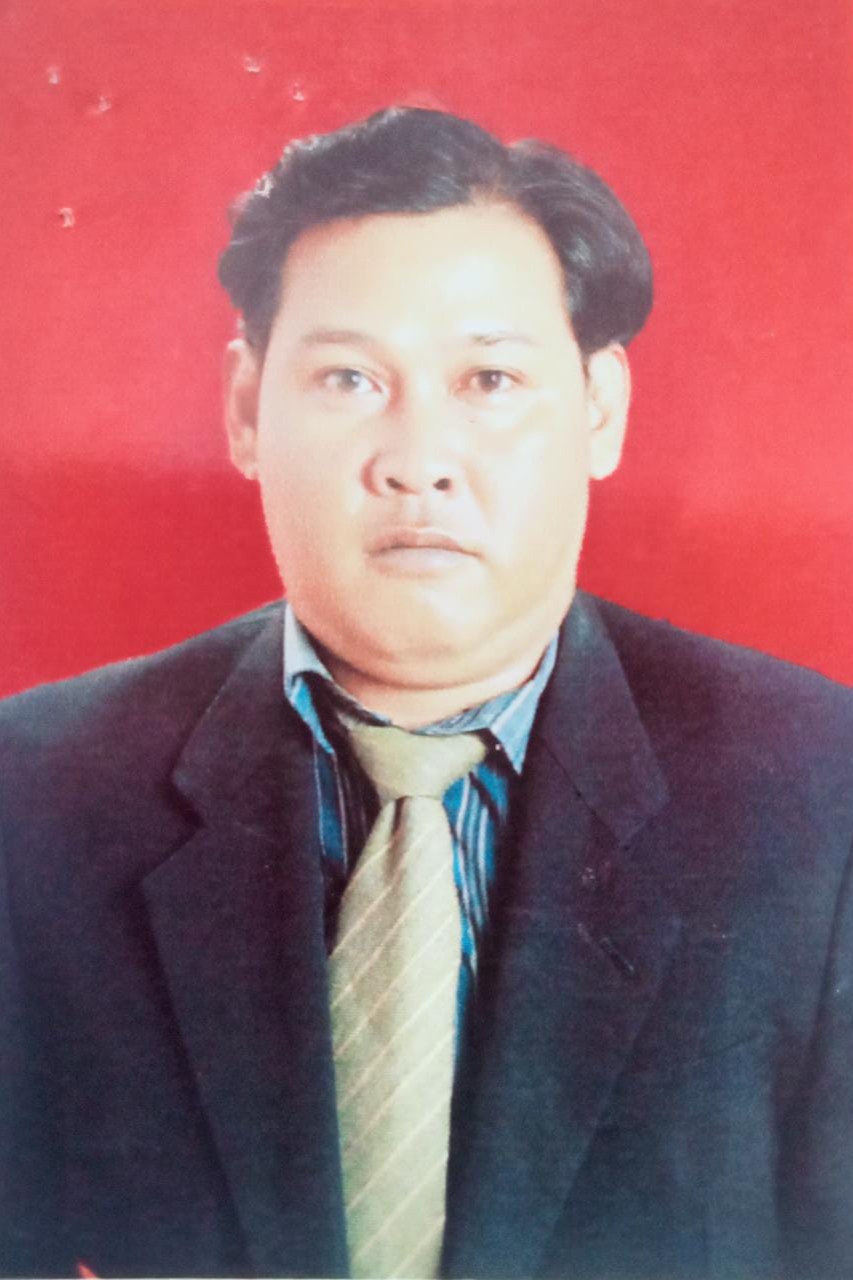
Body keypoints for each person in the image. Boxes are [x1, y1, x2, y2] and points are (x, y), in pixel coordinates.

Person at [2, 106, 852, 1280]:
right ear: (246, 409)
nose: (417, 460)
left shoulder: (816, 793)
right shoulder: (36, 793)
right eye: (349, 377)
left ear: (600, 410)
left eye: (489, 379)